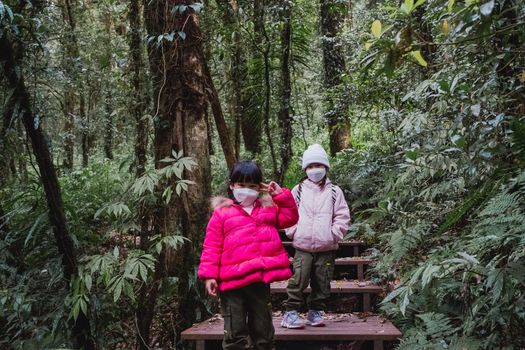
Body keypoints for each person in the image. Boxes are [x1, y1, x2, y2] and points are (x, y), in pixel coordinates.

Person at [198, 160, 299, 350]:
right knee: (235, 330)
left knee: (263, 328)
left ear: (259, 188)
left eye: (252, 186)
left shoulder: (267, 208)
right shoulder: (222, 213)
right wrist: (209, 275)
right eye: (241, 185)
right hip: (230, 283)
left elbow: (290, 218)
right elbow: (211, 245)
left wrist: (278, 195)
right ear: (232, 185)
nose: (246, 190)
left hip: (258, 280)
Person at [281, 144, 350, 329]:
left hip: (326, 247)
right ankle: (291, 312)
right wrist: (293, 231)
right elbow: (288, 212)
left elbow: (342, 216)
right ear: (305, 169)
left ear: (326, 167)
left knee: (322, 280)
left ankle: (315, 312)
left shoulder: (335, 191)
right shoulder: (298, 190)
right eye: (310, 166)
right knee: (299, 279)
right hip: (302, 246)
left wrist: (333, 234)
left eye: (318, 165)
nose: (315, 170)